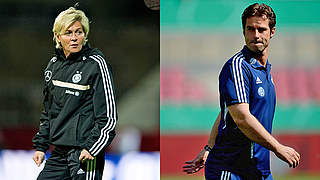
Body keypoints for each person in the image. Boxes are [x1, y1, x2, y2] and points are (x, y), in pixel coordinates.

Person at [183, 3, 300, 180]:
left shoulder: (265, 70)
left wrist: (208, 147)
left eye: (261, 29)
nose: (256, 35)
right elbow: (241, 117)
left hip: (259, 170)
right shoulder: (237, 66)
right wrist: (278, 147)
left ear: (272, 31)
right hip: (231, 170)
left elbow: (226, 111)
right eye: (250, 29)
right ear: (243, 31)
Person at [32, 6, 117, 180]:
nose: (74, 38)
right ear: (58, 36)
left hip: (86, 153)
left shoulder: (96, 64)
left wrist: (92, 148)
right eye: (68, 33)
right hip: (59, 153)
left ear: (85, 35)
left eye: (78, 32)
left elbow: (109, 117)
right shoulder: (53, 66)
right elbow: (48, 112)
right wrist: (41, 146)